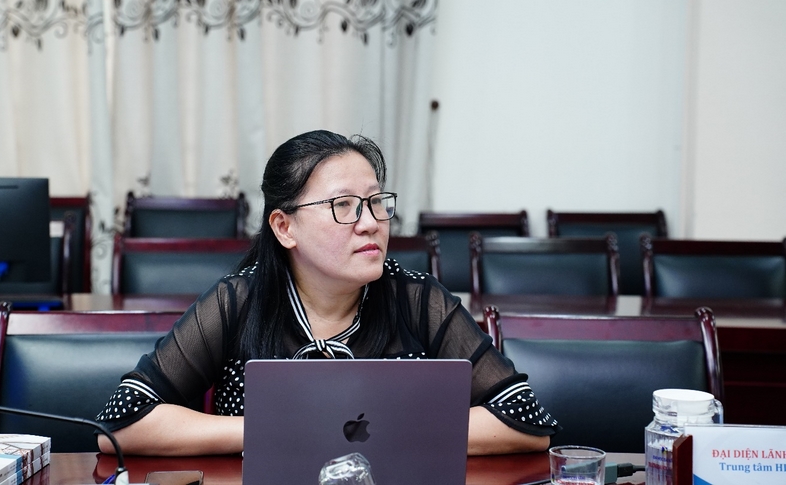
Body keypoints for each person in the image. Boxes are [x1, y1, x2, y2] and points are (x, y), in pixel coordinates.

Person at [96, 130, 558, 456]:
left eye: (376, 202)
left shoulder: (417, 299)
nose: (371, 222)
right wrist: (274, 431)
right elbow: (123, 424)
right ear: (285, 227)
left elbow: (526, 422)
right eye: (344, 205)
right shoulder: (239, 301)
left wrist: (374, 433)